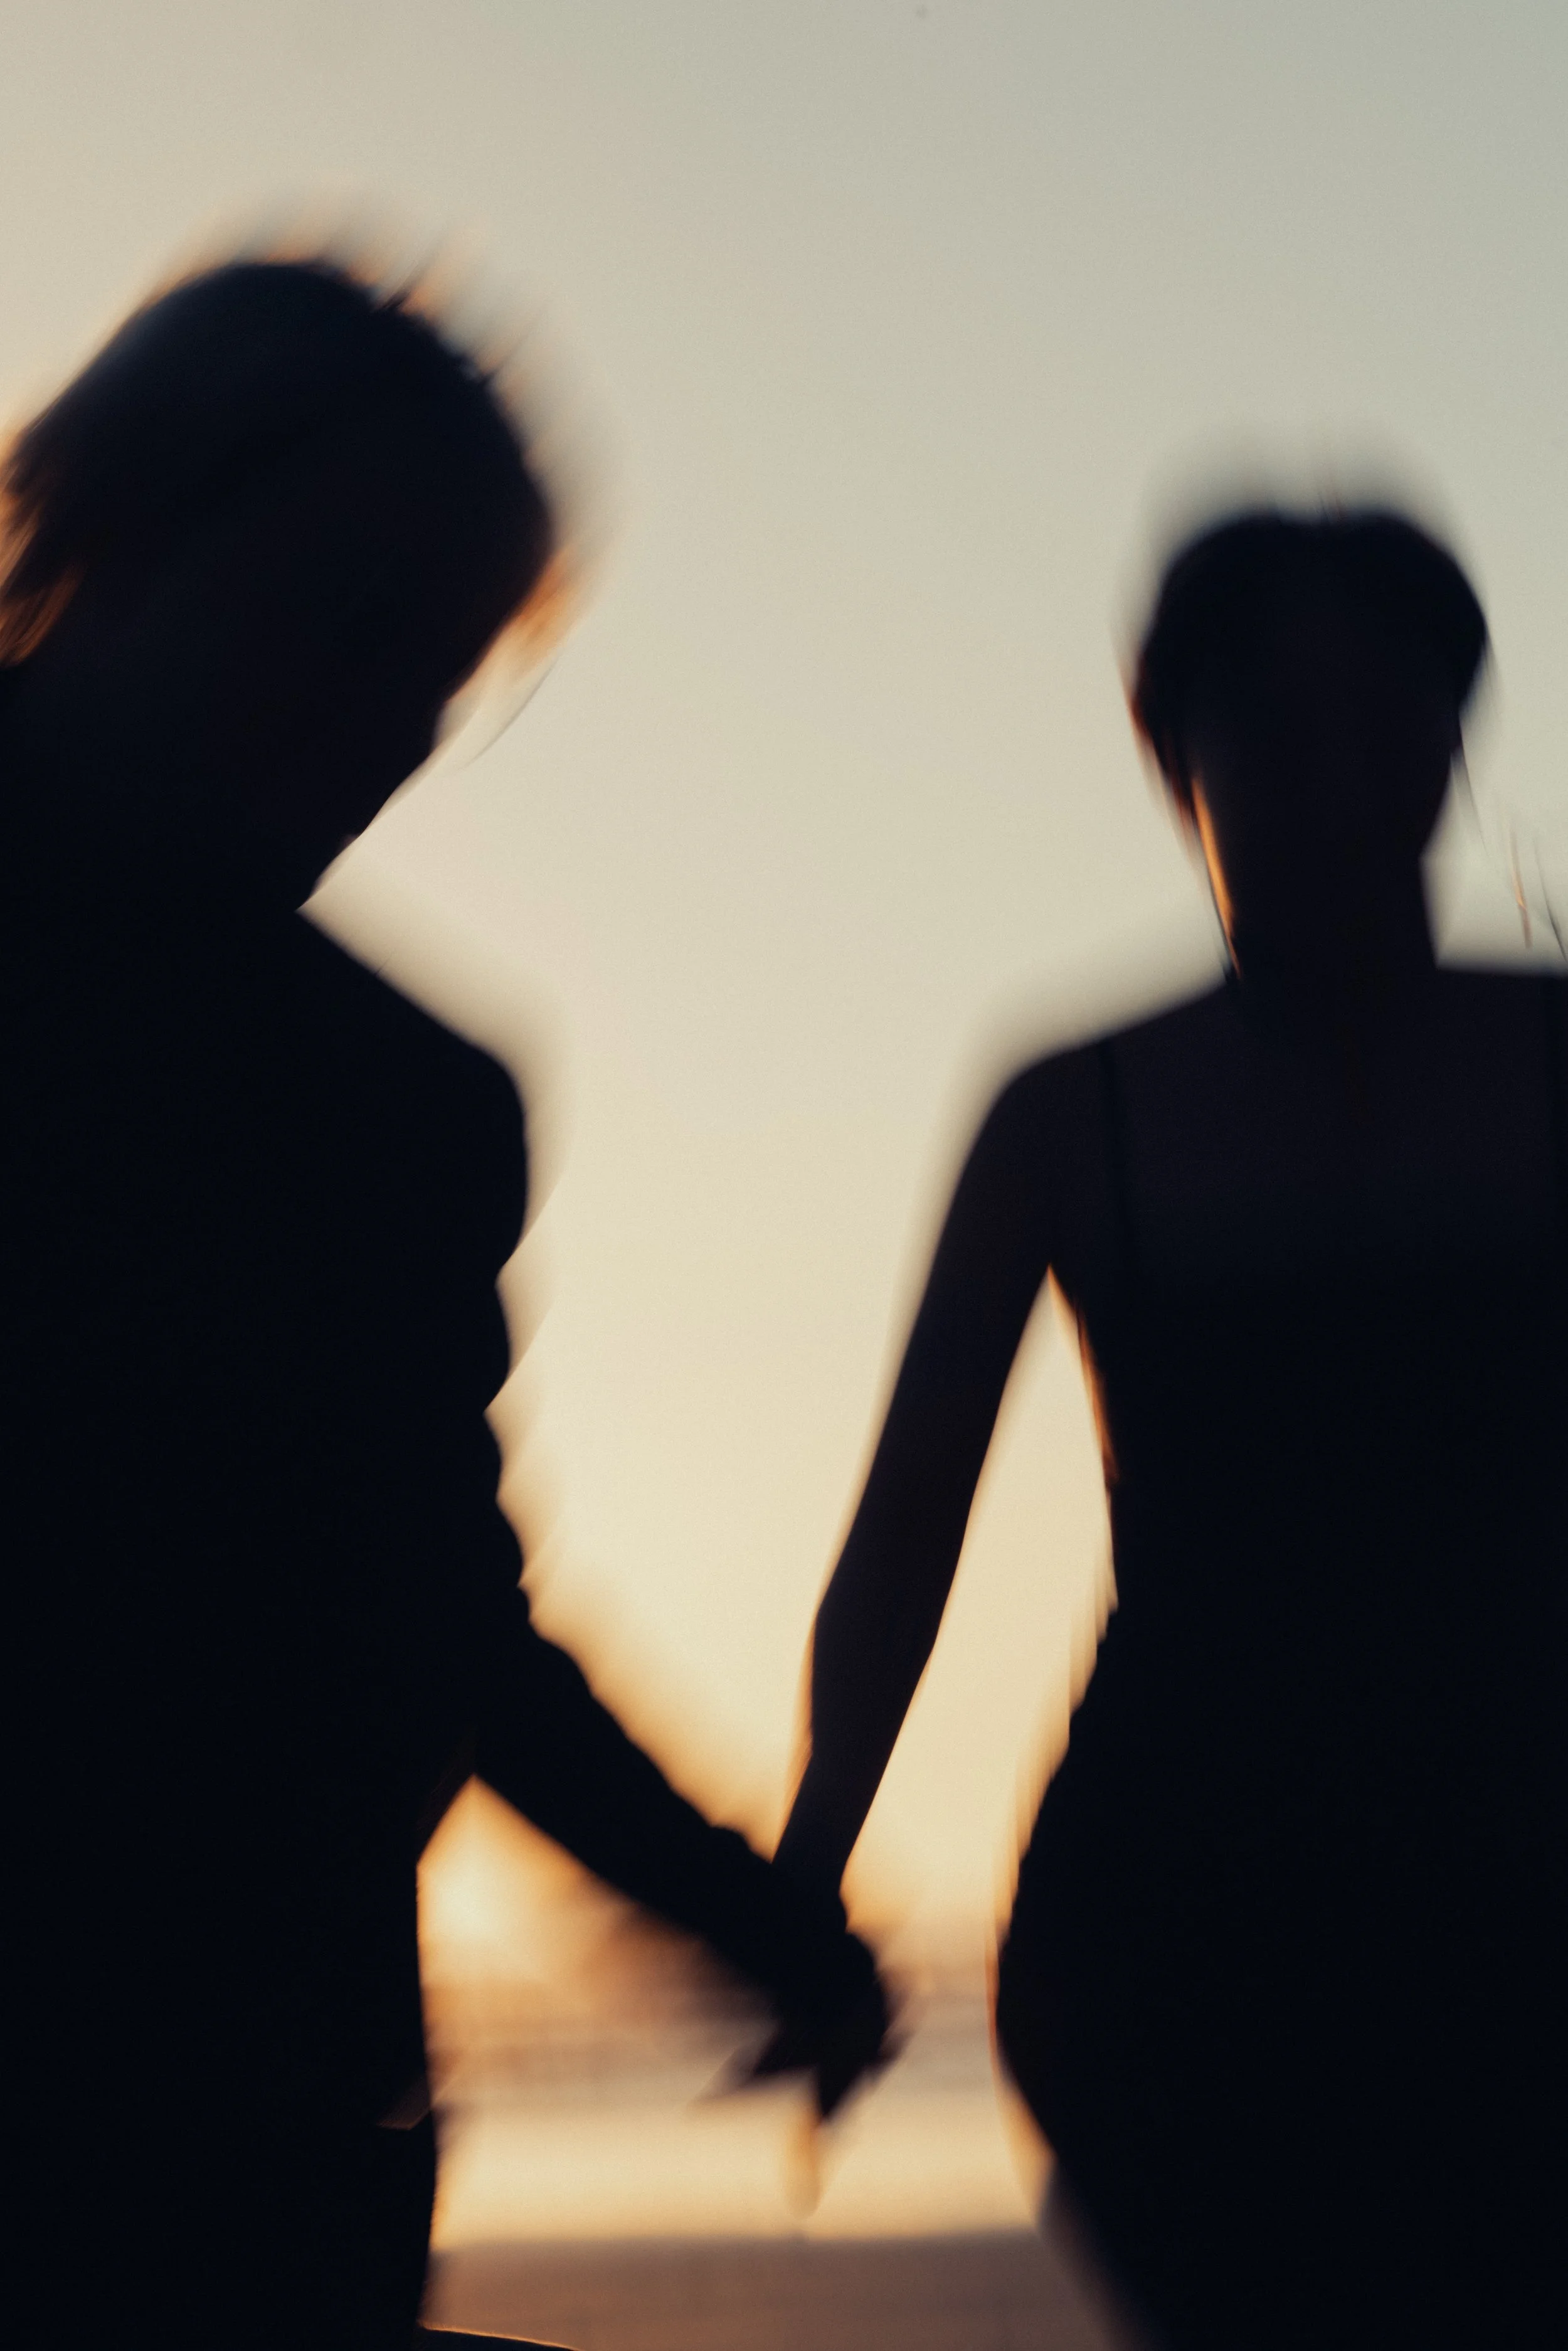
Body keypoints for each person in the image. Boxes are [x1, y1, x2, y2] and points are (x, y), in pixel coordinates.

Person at [1, 253, 886, 2350]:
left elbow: (428, 1598)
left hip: (262, 2126)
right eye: (341, 617)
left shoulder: (406, 1099)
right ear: (114, 520)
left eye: (446, 668)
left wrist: (743, 1909)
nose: (390, 722)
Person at [776, 507, 1565, 2349]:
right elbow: (906, 1530)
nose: (1336, 783)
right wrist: (802, 1885)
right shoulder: (1076, 1107)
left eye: (1392, 724)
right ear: (1171, 756)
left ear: (1458, 742)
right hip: (1180, 1921)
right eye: (1270, 731)